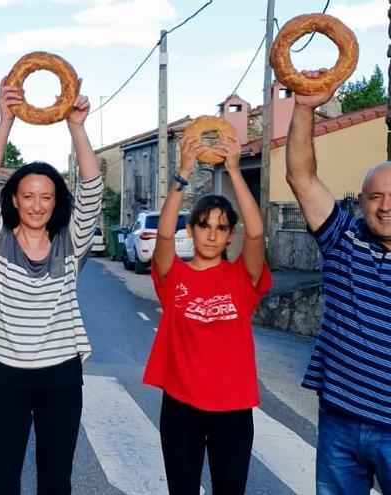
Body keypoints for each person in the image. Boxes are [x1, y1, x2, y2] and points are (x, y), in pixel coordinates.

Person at [0, 77, 103, 495]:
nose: (36, 204)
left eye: (46, 197)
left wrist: (77, 128)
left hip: (61, 375)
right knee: (0, 477)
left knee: (55, 477)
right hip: (8, 374)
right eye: (28, 196)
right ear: (14, 199)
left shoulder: (70, 244)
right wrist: (5, 120)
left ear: (54, 202)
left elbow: (92, 192)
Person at [142, 134, 272, 494]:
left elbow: (257, 232)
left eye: (222, 228)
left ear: (231, 235)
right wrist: (182, 173)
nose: (212, 235)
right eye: (204, 225)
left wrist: (234, 170)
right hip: (181, 406)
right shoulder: (174, 277)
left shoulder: (243, 278)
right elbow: (163, 237)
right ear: (191, 229)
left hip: (232, 409)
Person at [285, 70, 391, 495]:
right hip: (339, 420)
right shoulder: (342, 239)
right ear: (360, 201)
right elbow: (301, 177)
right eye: (376, 197)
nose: (385, 208)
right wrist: (304, 107)